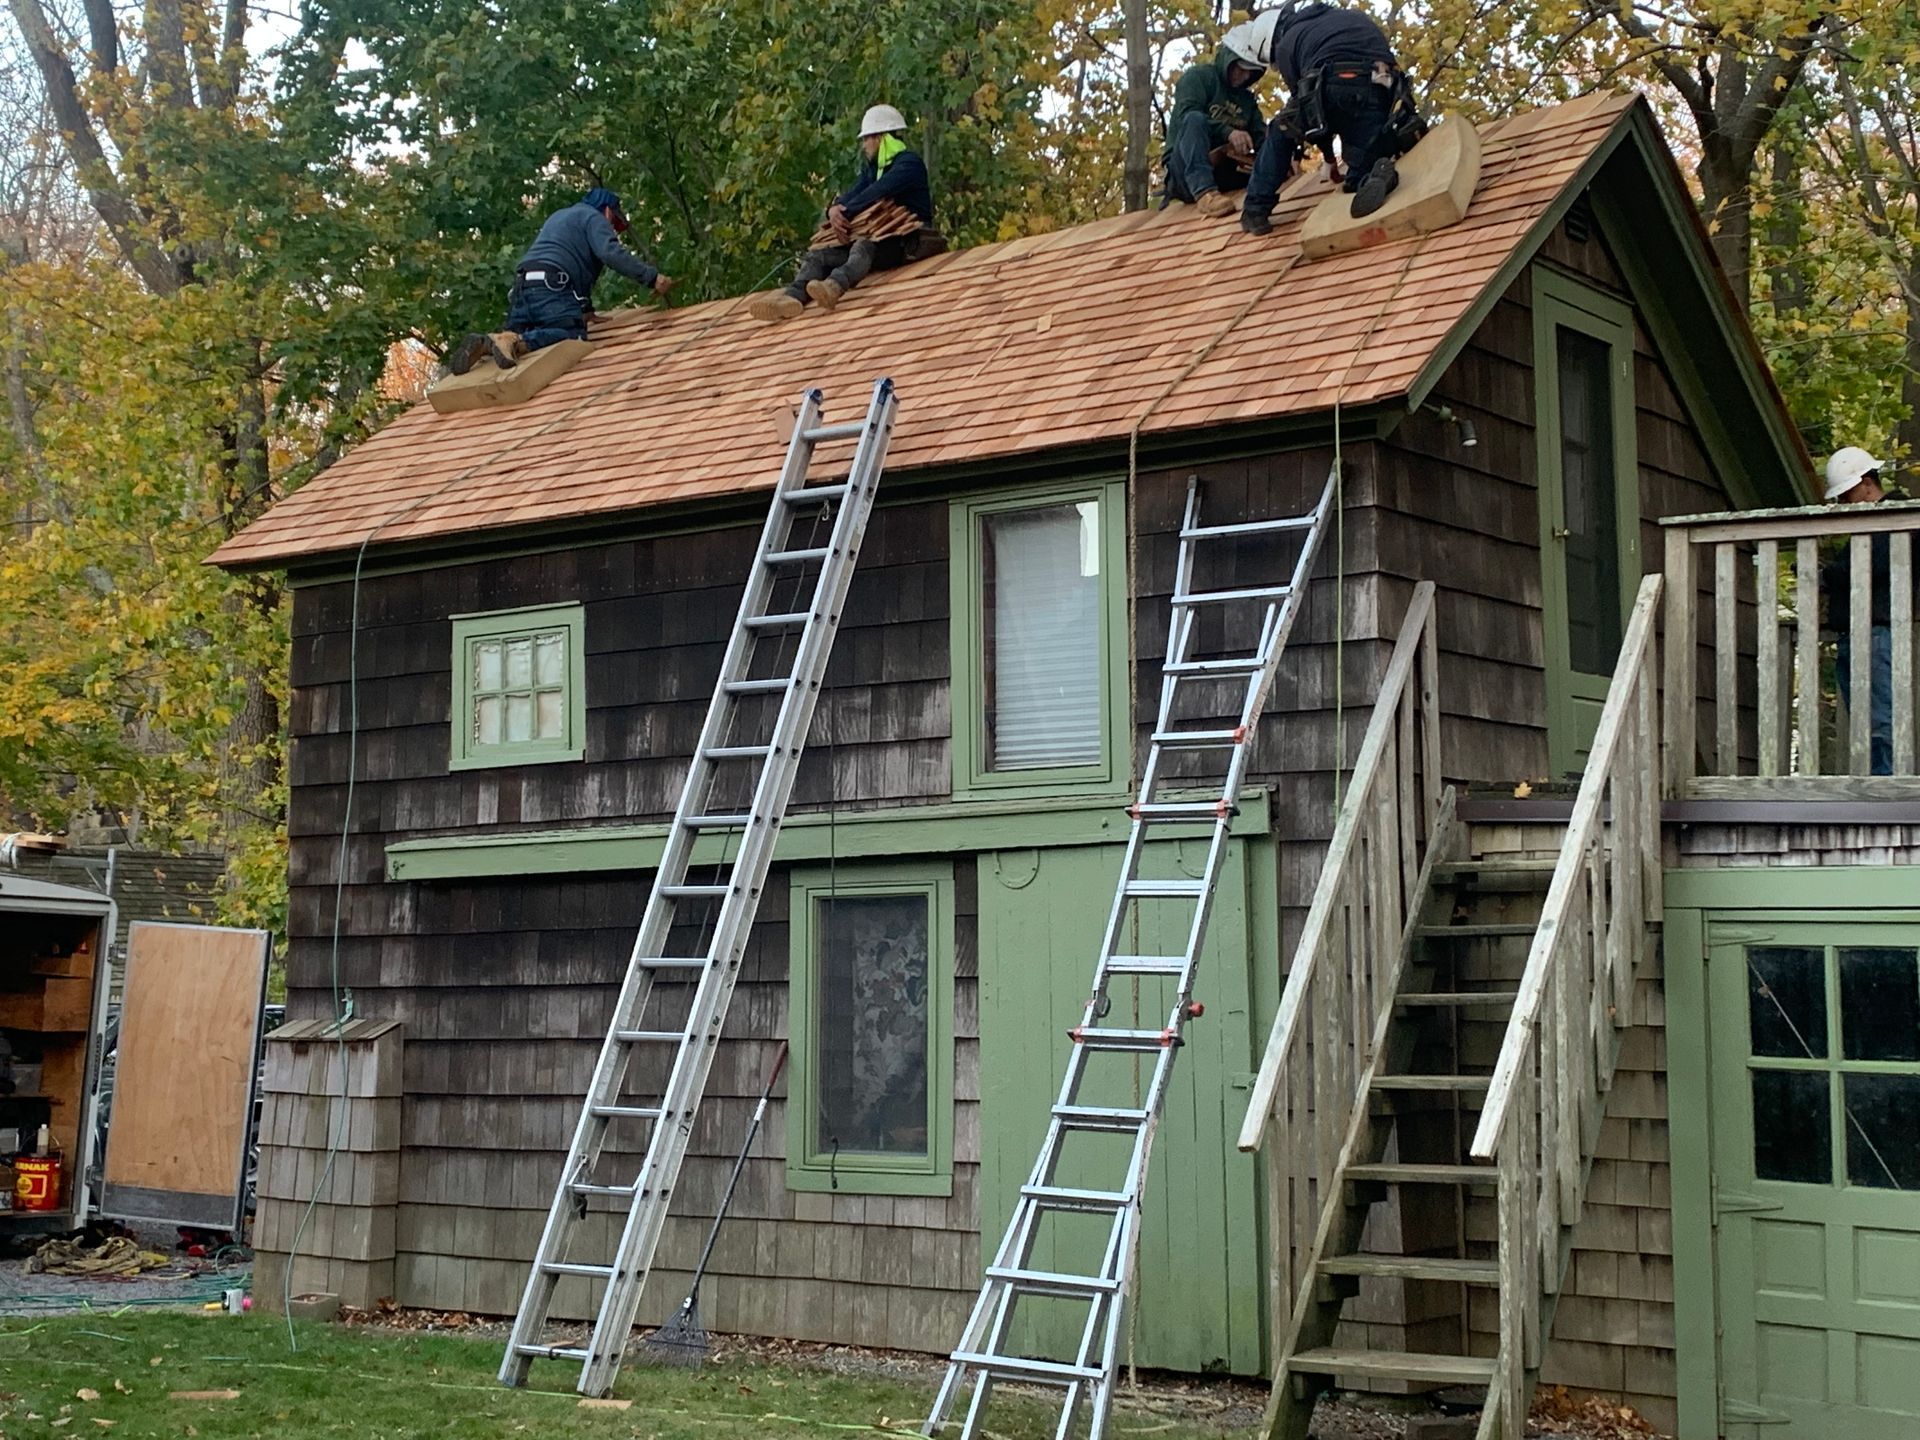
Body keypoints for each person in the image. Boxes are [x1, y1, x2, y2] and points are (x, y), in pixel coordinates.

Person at [1228, 1, 1429, 236]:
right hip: (1381, 88)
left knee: (1282, 129)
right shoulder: (1347, 17)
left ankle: (1255, 210)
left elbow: (1309, 111)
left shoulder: (1286, 44)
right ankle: (1373, 177)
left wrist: (1328, 158)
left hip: (1333, 81)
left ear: (1270, 40)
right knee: (1358, 172)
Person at [448, 187, 673, 375]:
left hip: (523, 287)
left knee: (514, 345)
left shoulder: (560, 217)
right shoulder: (593, 218)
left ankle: (488, 344)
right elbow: (610, 253)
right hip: (550, 287)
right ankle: (514, 340)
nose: (613, 230)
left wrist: (585, 309)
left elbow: (570, 261)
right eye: (614, 224)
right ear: (607, 212)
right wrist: (652, 277)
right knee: (571, 336)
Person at [749, 106, 939, 322]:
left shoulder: (908, 164)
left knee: (862, 245)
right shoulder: (874, 169)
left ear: (878, 137)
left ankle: (834, 286)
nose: (864, 145)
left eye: (866, 139)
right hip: (881, 243)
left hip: (906, 243)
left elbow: (877, 192)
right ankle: (790, 299)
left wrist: (846, 212)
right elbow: (855, 192)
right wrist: (833, 210)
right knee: (818, 256)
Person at [1820, 446, 1914, 776]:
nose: (1846, 503)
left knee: (1880, 719)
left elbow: (1871, 564)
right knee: (1863, 721)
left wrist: (1828, 575)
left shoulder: (1895, 518)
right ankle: (1875, 780)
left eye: (1847, 495)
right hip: (1857, 633)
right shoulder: (1871, 528)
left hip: (1875, 632)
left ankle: (1887, 785)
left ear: (1866, 483)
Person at [1163, 35, 1267, 217]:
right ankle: (1205, 193)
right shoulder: (1199, 78)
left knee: (1269, 169)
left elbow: (1261, 135)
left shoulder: (1247, 101)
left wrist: (1282, 153)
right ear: (1229, 59)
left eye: (1250, 73)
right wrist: (1228, 133)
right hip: (1186, 172)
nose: (1244, 77)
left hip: (1224, 170)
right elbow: (1187, 115)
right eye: (1241, 69)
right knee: (1195, 119)